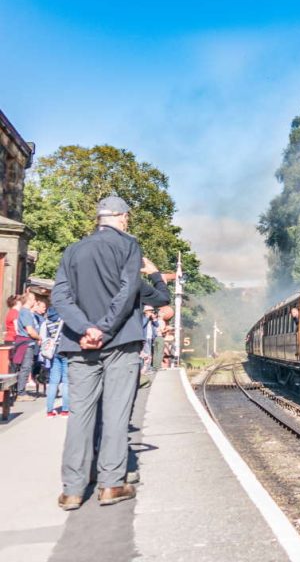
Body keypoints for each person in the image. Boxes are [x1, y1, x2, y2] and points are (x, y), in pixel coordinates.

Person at [51, 195, 146, 511]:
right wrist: (103, 329)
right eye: (126, 218)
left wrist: (84, 328)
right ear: (122, 218)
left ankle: (73, 490)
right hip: (119, 343)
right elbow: (128, 289)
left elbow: (60, 297)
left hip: (79, 345)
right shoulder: (128, 246)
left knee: (80, 414)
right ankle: (111, 484)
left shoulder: (73, 249)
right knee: (116, 413)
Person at [39, 298, 70, 417]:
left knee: (53, 382)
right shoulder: (64, 319)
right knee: (66, 381)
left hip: (52, 352)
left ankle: (49, 410)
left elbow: (43, 337)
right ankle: (65, 409)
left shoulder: (47, 321)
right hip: (65, 350)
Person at [12, 290, 41, 398]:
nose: (35, 301)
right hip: (26, 343)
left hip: (24, 342)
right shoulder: (26, 312)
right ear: (29, 300)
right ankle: (21, 393)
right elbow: (30, 330)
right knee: (26, 367)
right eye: (34, 299)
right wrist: (39, 337)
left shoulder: (24, 312)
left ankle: (20, 390)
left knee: (23, 367)